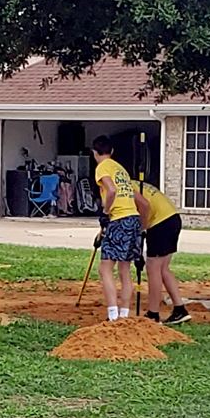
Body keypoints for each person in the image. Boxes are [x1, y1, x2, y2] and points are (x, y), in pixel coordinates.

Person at [90, 136, 144, 321]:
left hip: (119, 219)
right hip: (133, 218)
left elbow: (111, 190)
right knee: (124, 269)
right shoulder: (120, 168)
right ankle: (124, 314)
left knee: (105, 268)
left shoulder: (102, 167)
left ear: (94, 153)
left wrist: (105, 211)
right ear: (112, 151)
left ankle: (112, 315)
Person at [136, 178, 192, 323]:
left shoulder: (124, 188)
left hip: (160, 223)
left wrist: (142, 227)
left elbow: (144, 205)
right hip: (172, 218)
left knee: (153, 268)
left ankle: (153, 314)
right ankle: (180, 309)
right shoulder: (134, 184)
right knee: (163, 269)